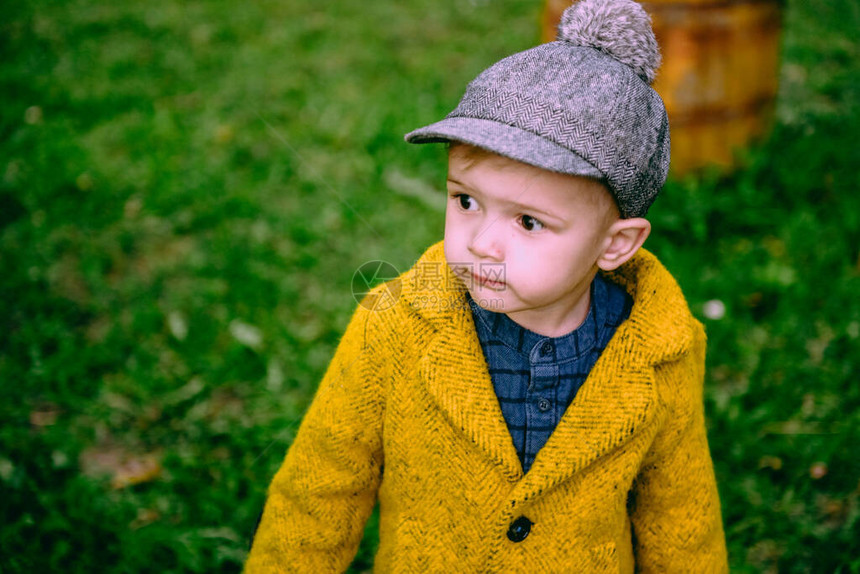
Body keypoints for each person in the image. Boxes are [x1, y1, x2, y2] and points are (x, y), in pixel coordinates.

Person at [245, 0, 728, 571]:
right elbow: (317, 494)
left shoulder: (660, 353)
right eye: (466, 201)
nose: (482, 243)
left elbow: (681, 521)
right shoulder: (393, 326)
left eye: (528, 221)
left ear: (615, 244)